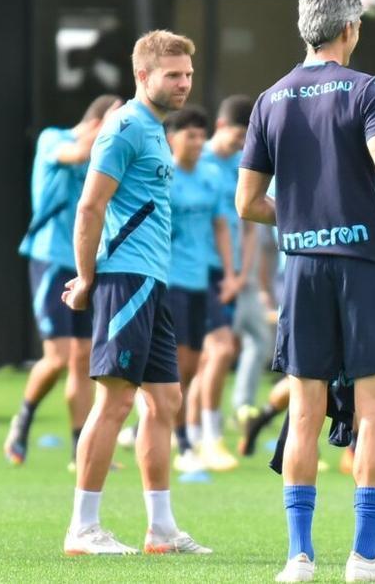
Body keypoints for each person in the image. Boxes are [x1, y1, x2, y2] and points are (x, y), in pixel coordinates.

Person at [236, 0, 375, 583]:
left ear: (303, 29)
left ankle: (298, 558)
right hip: (366, 267)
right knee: (373, 413)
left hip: (303, 270)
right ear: (351, 30)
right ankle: (366, 558)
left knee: (305, 413)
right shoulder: (367, 89)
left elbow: (247, 203)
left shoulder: (270, 98)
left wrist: (302, 220)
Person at [61, 30, 211, 556]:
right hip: (124, 280)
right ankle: (83, 528)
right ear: (142, 76)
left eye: (187, 74)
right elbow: (89, 206)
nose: (183, 83)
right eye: (173, 74)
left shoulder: (155, 130)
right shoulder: (124, 126)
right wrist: (84, 280)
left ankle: (162, 530)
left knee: (165, 401)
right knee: (116, 401)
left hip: (152, 283)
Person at [5, 94, 121, 470]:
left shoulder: (102, 156)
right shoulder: (53, 139)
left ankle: (78, 448)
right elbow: (73, 155)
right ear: (97, 121)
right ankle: (23, 418)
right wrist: (104, 133)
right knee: (55, 358)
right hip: (50, 260)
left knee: (82, 359)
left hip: (83, 264)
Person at [164, 105, 237, 476]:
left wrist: (228, 272)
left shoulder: (210, 175)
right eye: (188, 134)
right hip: (170, 280)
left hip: (201, 279)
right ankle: (183, 442)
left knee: (192, 367)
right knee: (177, 367)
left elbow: (222, 226)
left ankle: (183, 431)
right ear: (171, 138)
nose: (195, 142)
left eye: (199, 135)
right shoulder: (163, 175)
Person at [196, 94, 261, 472]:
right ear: (220, 127)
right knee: (213, 354)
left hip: (229, 276)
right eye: (238, 134)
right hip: (199, 271)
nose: (242, 142)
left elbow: (249, 230)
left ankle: (195, 436)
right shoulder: (195, 161)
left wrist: (239, 276)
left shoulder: (242, 166)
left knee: (211, 357)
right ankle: (206, 436)